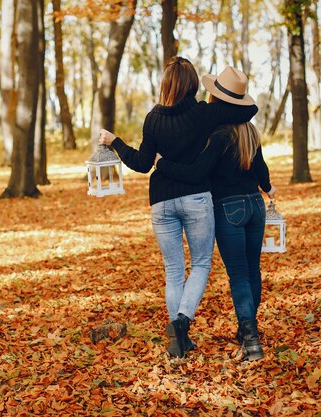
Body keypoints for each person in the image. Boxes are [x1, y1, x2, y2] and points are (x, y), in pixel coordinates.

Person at [99, 57, 258, 358]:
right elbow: (249, 110)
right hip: (197, 198)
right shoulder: (203, 113)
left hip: (161, 200)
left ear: (166, 84)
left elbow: (143, 164)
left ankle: (179, 342)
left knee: (173, 270)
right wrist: (227, 94)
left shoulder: (153, 119)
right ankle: (182, 323)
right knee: (200, 263)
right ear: (193, 84)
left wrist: (115, 141)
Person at [153, 66, 275, 361]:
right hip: (255, 205)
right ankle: (247, 328)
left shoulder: (218, 135)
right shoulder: (251, 132)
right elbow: (262, 170)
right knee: (252, 269)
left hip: (227, 208)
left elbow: (197, 172)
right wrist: (269, 189)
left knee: (238, 276)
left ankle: (251, 338)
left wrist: (162, 164)